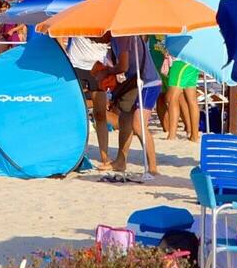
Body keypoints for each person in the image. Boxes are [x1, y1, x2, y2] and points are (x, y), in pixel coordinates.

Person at [100, 33, 159, 178]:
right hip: (135, 81)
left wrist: (106, 72)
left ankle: (153, 167)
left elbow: (123, 66)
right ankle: (120, 161)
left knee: (138, 125)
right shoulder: (117, 39)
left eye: (96, 36)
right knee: (125, 118)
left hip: (148, 82)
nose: (95, 39)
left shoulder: (122, 37)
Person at [65, 36, 113, 167]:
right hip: (76, 65)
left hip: (98, 65)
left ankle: (104, 156)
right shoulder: (74, 16)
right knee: (77, 114)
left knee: (100, 114)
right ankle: (78, 154)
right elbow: (60, 36)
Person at [156, 38, 202, 141]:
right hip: (192, 61)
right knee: (192, 100)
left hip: (180, 61)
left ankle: (172, 135)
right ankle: (194, 135)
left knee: (172, 99)